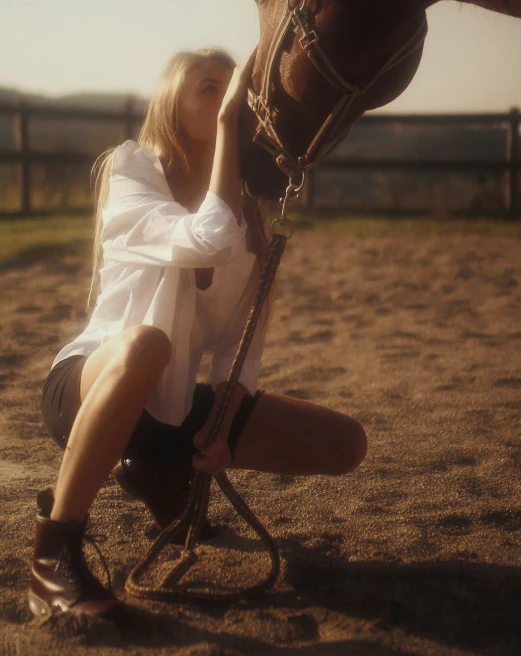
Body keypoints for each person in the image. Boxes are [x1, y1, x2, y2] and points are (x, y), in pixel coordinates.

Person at [29, 47, 367, 623]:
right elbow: (206, 240)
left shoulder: (251, 214)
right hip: (89, 386)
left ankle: (161, 472)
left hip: (173, 401)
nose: (226, 98)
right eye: (209, 88)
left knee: (344, 443)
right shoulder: (132, 167)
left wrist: (228, 409)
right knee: (147, 344)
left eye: (233, 89)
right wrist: (231, 118)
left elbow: (245, 333)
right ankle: (53, 555)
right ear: (172, 103)